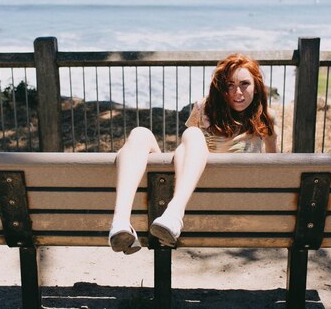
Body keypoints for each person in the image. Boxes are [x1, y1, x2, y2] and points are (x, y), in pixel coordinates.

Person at [109, 53, 278, 254]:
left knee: (191, 133)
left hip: (215, 206)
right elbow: (276, 171)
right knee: (140, 134)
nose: (237, 92)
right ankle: (121, 222)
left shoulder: (265, 118)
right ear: (221, 87)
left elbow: (272, 167)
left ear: (257, 86)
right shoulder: (205, 108)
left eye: (244, 84)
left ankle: (173, 213)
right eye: (230, 85)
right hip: (190, 204)